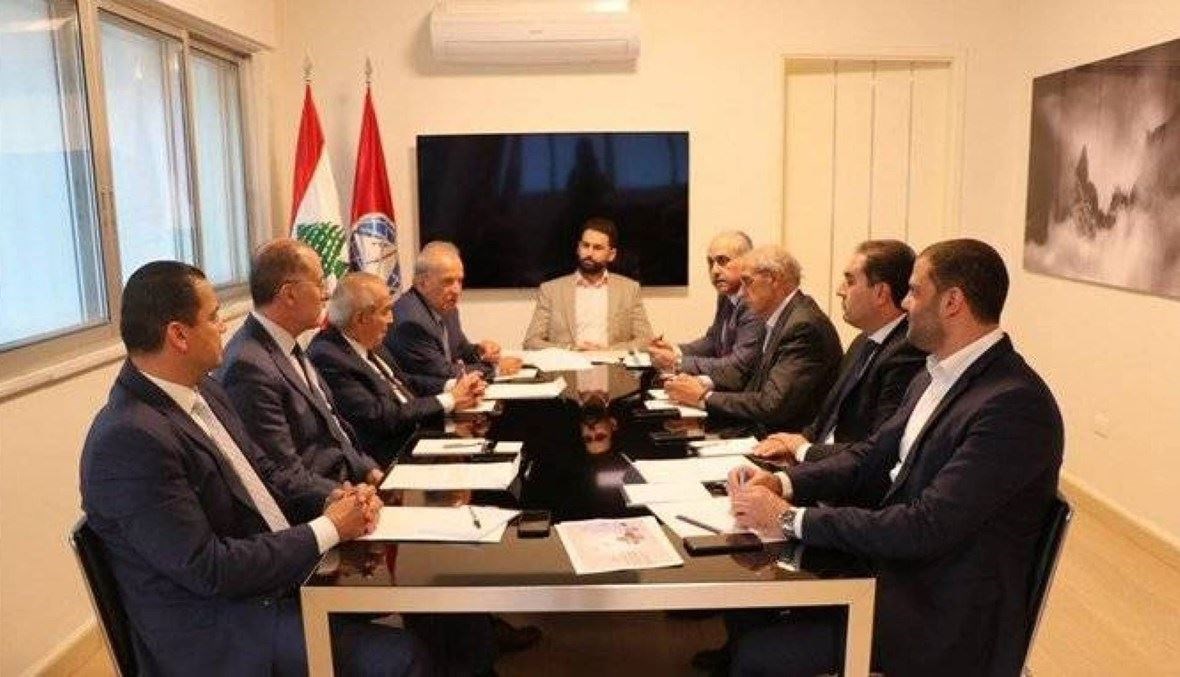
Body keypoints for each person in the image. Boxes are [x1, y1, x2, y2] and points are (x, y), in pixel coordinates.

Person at [721, 239, 1064, 676]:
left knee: (757, 653)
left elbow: (925, 525)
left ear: (953, 302)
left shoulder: (1013, 404)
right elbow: (870, 456)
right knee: (748, 610)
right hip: (900, 574)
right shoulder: (935, 374)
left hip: (940, 619)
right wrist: (784, 483)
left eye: (915, 291)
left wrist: (790, 519)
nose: (903, 303)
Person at [79, 261, 424, 676]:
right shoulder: (128, 439)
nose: (224, 326)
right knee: (404, 656)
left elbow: (266, 474)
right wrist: (328, 529)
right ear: (178, 335)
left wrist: (334, 499)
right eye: (213, 317)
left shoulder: (204, 390)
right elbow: (209, 568)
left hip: (267, 581)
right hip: (219, 631)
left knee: (421, 598)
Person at [217, 239, 381, 494]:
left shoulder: (287, 344)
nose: (326, 294)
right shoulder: (248, 367)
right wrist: (346, 499)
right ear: (289, 294)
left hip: (352, 485)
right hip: (324, 503)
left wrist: (368, 471)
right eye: (319, 283)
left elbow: (333, 425)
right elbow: (282, 473)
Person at [753, 240, 926, 464]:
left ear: (881, 293)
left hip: (848, 476)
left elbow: (878, 448)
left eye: (850, 281)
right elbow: (830, 413)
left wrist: (804, 451)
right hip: (822, 463)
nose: (839, 291)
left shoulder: (906, 353)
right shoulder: (862, 341)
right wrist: (797, 441)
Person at [308, 272, 485, 465]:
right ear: (361, 318)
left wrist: (452, 386)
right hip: (390, 457)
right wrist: (450, 400)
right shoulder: (328, 356)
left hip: (418, 437)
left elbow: (405, 383)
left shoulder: (370, 342)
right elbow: (381, 417)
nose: (391, 320)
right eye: (385, 311)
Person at [664, 245, 841, 430]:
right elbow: (754, 387)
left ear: (773, 279)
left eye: (747, 282)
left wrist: (703, 397)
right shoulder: (780, 317)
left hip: (786, 439)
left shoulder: (803, 326)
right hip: (762, 429)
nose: (742, 292)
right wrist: (704, 406)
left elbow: (772, 405)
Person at [386, 241, 521, 396]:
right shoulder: (410, 321)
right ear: (422, 283)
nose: (457, 290)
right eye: (448, 281)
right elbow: (443, 372)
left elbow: (462, 350)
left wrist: (481, 352)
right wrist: (495, 369)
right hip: (423, 400)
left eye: (460, 281)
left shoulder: (448, 309)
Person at [522, 217, 654, 350]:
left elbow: (646, 340)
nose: (589, 253)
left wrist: (608, 351)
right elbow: (531, 342)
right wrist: (570, 349)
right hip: (568, 361)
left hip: (612, 360)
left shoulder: (629, 289)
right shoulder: (551, 290)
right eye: (585, 245)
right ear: (578, 248)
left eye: (597, 248)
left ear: (611, 254)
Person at [648, 231, 763, 380]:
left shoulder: (755, 302)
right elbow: (713, 341)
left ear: (747, 262)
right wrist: (675, 350)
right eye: (711, 263)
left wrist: (677, 362)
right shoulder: (725, 296)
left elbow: (737, 368)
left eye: (723, 261)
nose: (714, 270)